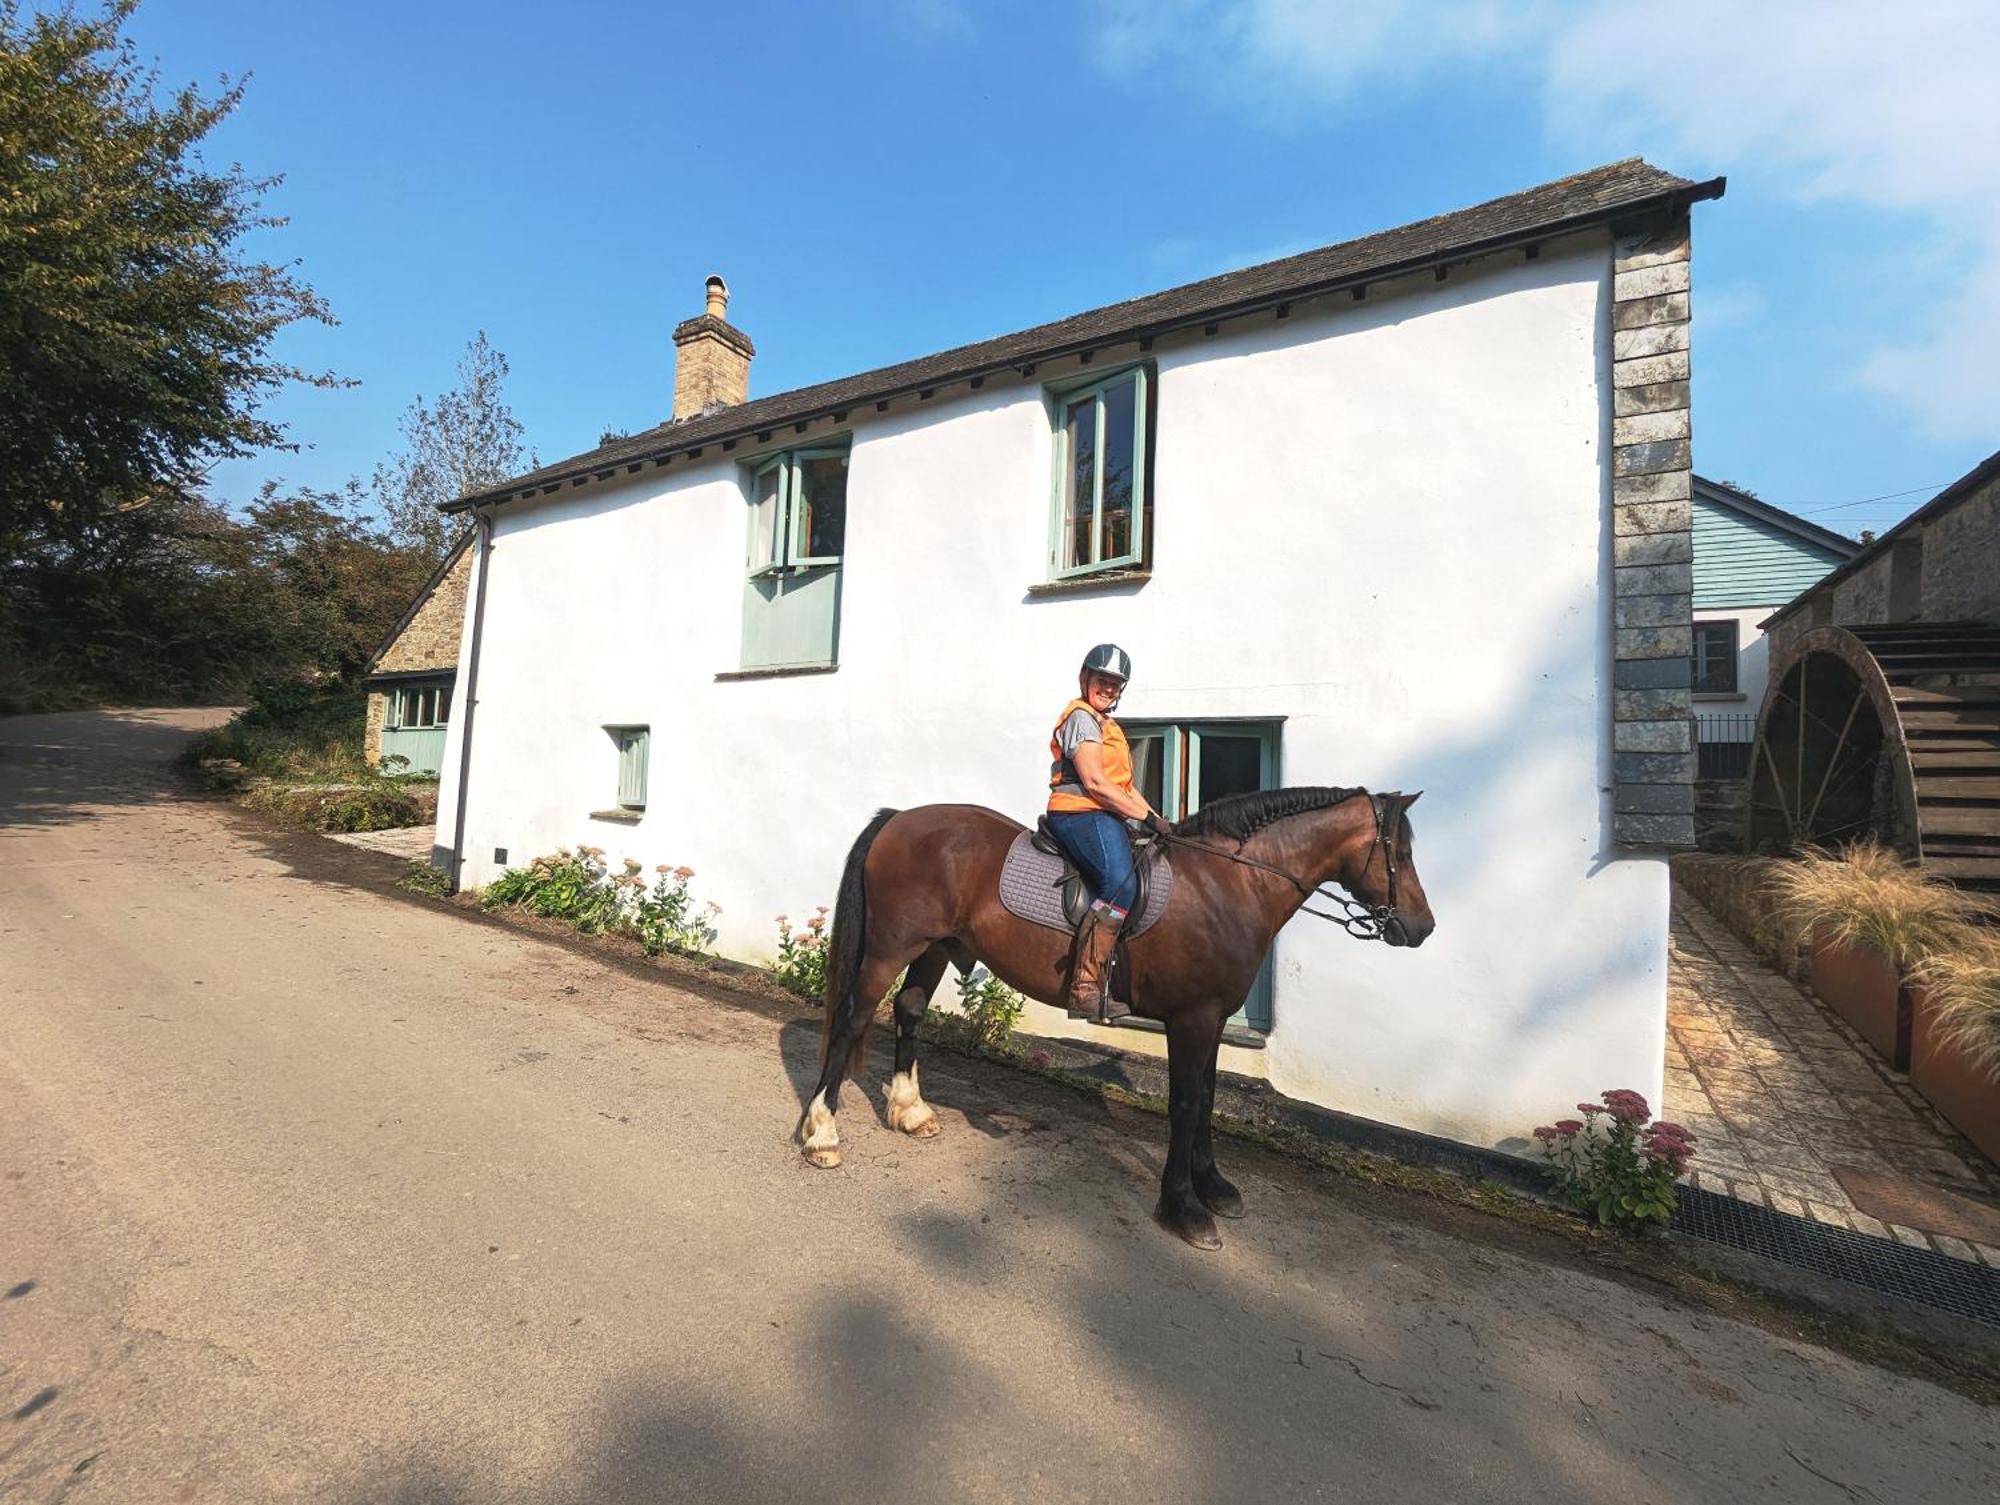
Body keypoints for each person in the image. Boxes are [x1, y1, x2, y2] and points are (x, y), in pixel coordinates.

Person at [1046, 644, 1174, 1021]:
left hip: (1104, 812)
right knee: (1122, 884)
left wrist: (1161, 821)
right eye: (1103, 681)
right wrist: (1147, 820)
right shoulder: (1082, 719)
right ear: (1085, 678)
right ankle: (1084, 988)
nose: (1109, 689)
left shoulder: (1108, 727)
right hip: (1079, 811)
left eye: (1116, 685)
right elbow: (1096, 784)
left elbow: (1125, 787)